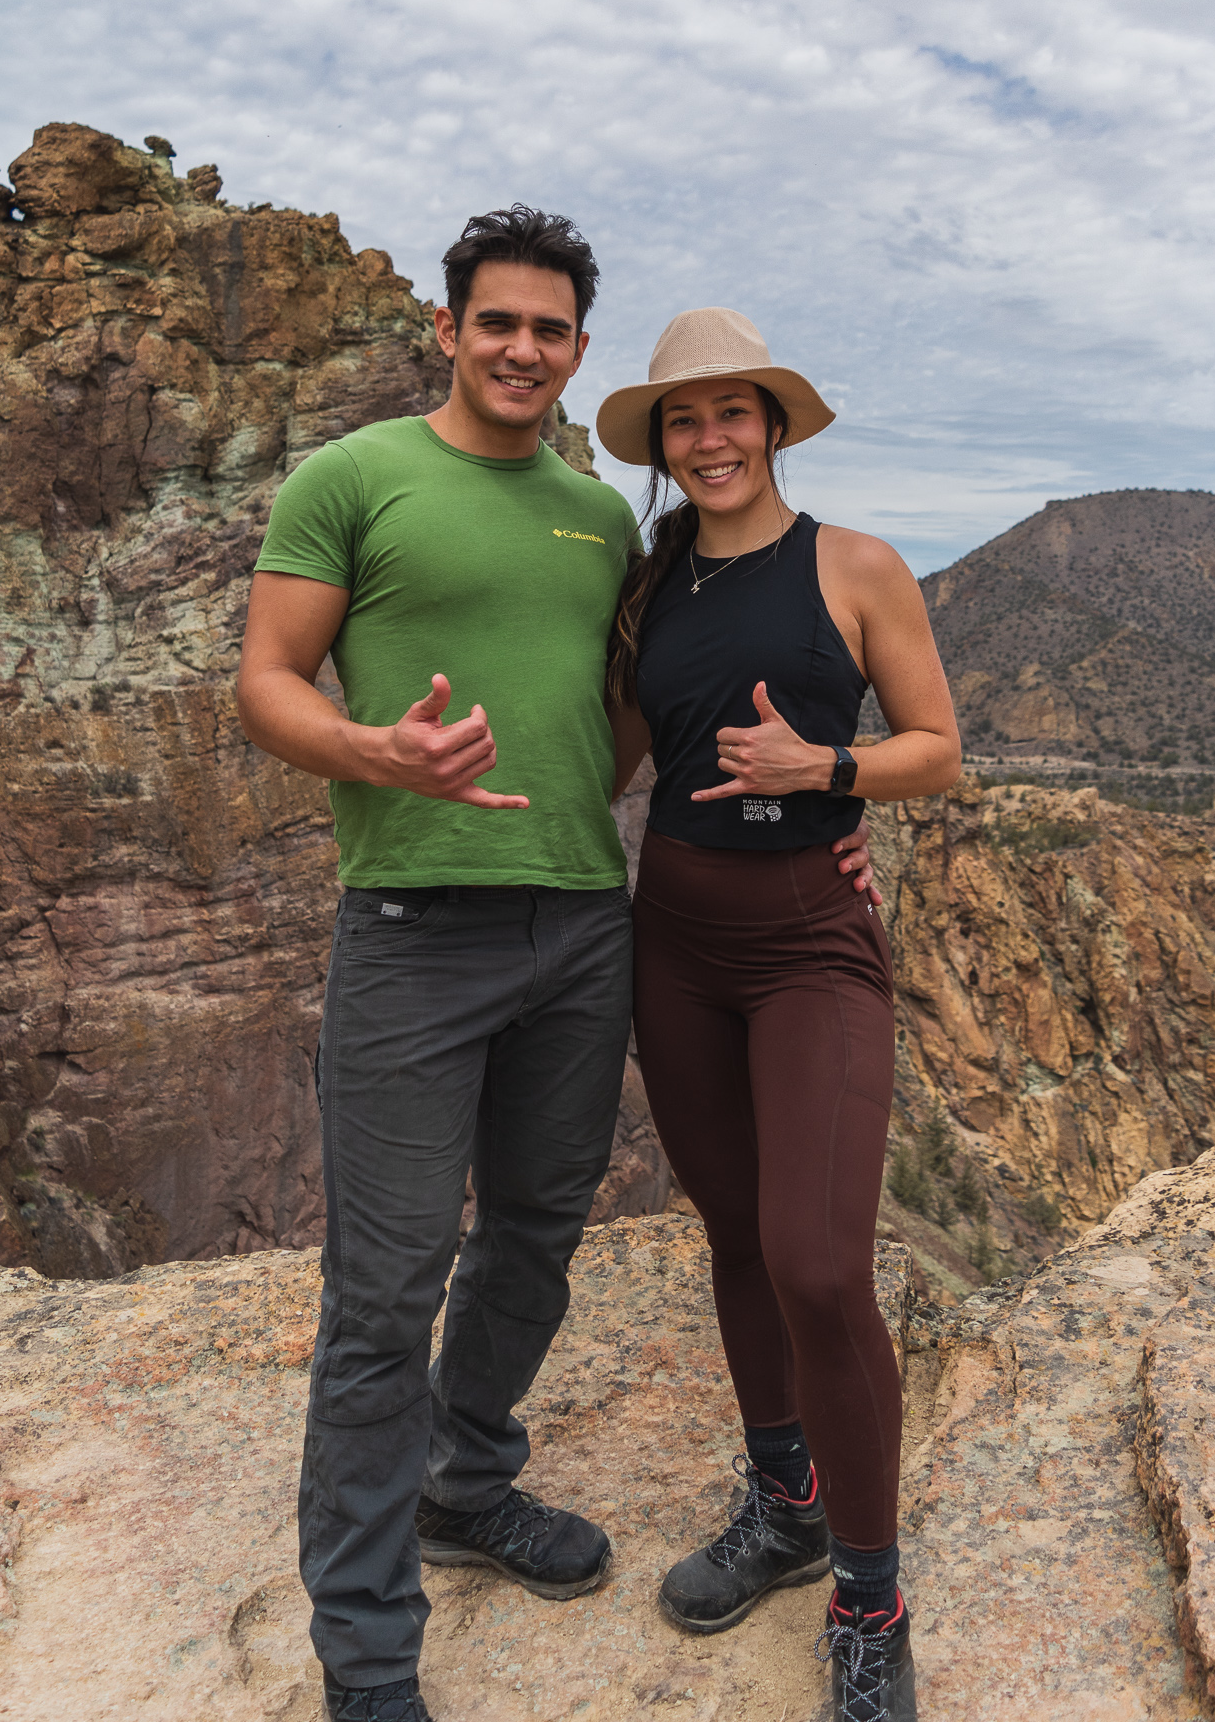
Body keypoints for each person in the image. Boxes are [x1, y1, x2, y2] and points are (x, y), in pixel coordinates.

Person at [236, 210, 883, 1721]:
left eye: (550, 330)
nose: (522, 349)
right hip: (409, 927)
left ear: (578, 351)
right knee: (385, 1291)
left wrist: (828, 807)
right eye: (497, 323)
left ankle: (468, 1482)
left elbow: (646, 713)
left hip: (589, 921)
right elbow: (266, 686)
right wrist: (374, 751)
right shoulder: (352, 480)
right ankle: (371, 1657)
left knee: (534, 1238)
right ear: (450, 330)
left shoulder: (603, 524)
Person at [596, 307, 961, 1722]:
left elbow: (939, 751)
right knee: (736, 1234)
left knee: (818, 1259)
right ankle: (784, 1497)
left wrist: (828, 770)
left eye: (731, 413)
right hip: (676, 939)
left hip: (812, 940)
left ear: (774, 423)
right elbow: (620, 751)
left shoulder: (855, 567)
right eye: (683, 422)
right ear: (666, 445)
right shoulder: (652, 586)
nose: (709, 440)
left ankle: (871, 1598)